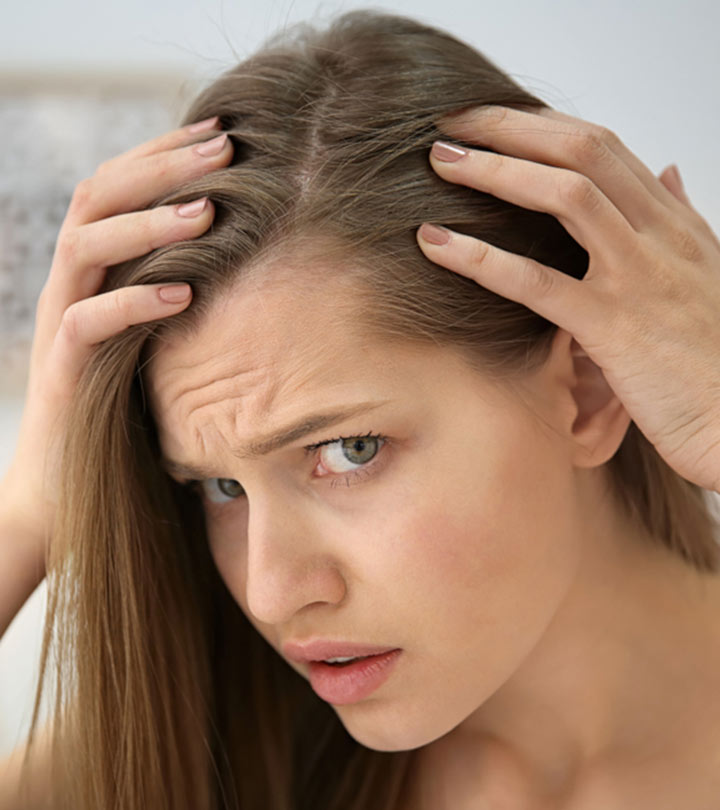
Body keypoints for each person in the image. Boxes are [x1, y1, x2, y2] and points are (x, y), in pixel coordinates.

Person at [1, 9, 719, 809]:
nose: (272, 593)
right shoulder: (212, 752)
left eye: (349, 451)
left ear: (588, 385)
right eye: (220, 489)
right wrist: (27, 518)